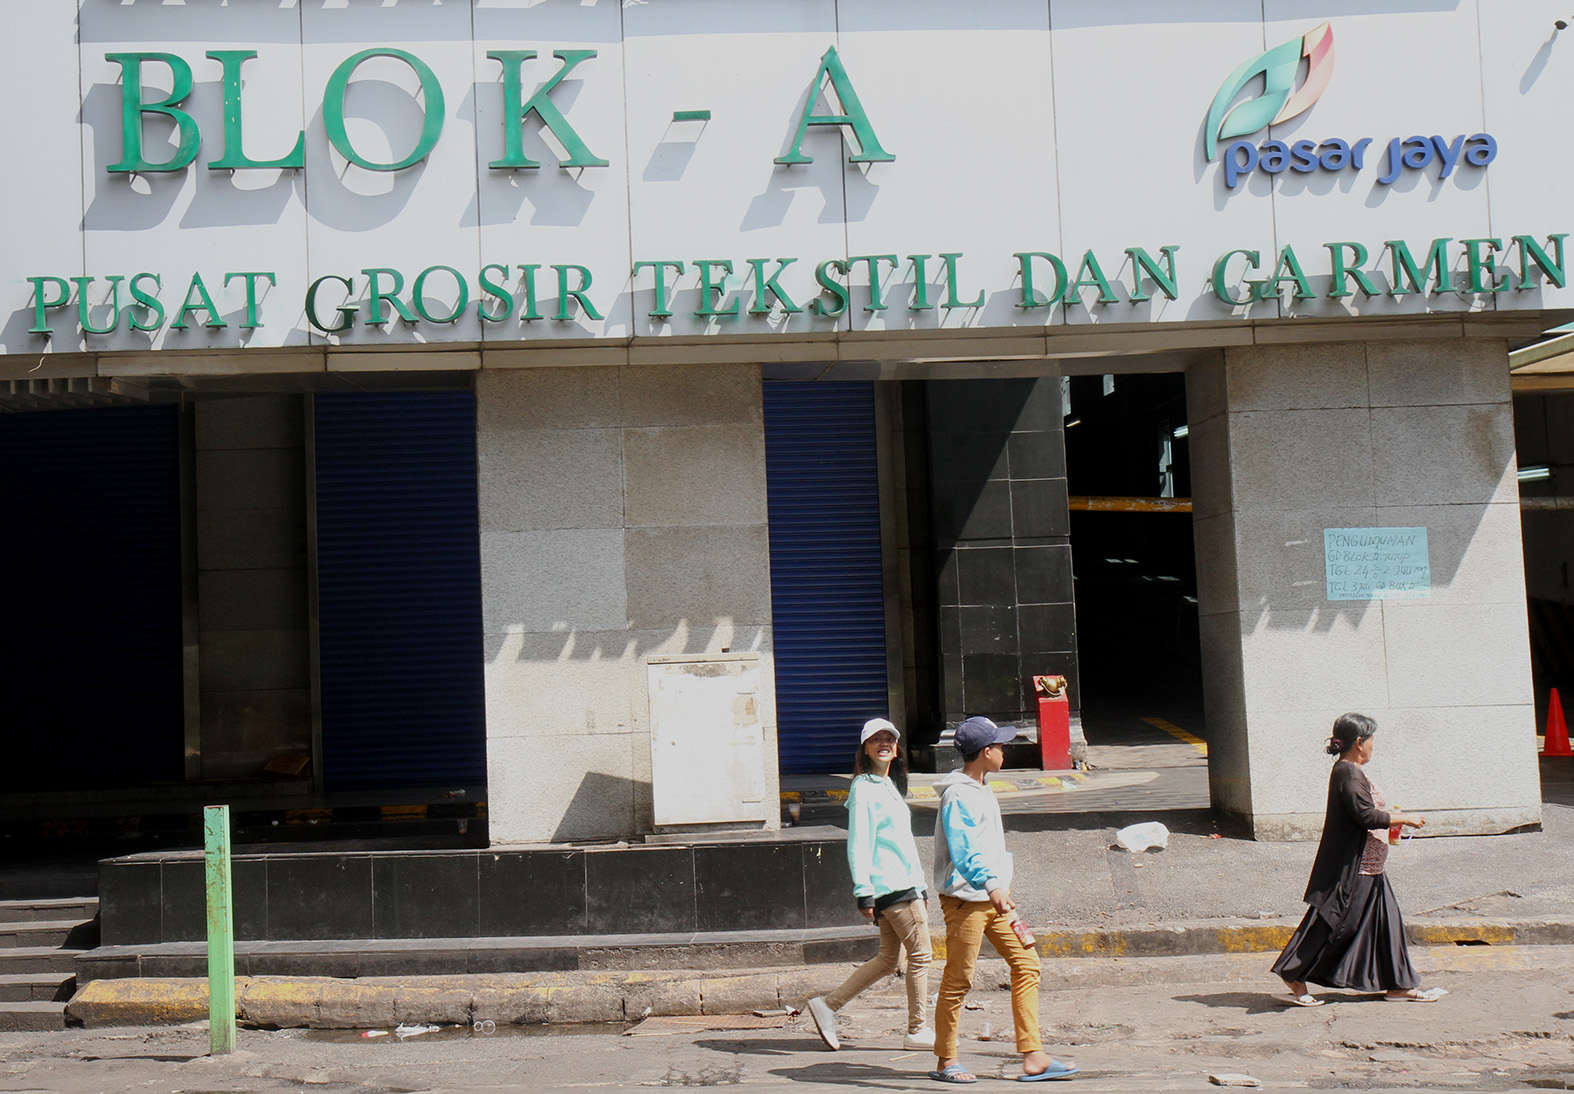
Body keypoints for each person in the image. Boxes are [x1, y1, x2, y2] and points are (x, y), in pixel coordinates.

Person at [930, 716, 1077, 1084]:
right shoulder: (958, 794)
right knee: (958, 978)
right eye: (999, 746)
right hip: (967, 901)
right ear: (985, 753)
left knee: (1028, 963)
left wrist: (999, 887)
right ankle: (946, 1059)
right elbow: (965, 849)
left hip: (994, 899)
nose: (1003, 750)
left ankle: (1034, 1055)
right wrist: (991, 884)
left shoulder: (981, 788)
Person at [1271, 712, 1447, 1006]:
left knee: (1385, 925)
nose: (1374, 745)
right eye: (1371, 739)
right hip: (1357, 869)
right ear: (1358, 742)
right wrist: (1405, 817)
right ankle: (1293, 973)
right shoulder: (1348, 773)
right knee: (1331, 922)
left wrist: (1392, 825)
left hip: (1372, 867)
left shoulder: (1352, 770)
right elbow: (1364, 815)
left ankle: (1398, 985)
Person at [805, 718, 935, 1052]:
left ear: (896, 748)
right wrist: (862, 889)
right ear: (865, 748)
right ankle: (918, 1029)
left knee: (889, 959)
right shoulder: (863, 788)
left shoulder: (888, 784)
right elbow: (859, 843)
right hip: (891, 886)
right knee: (921, 955)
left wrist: (921, 885)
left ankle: (827, 1005)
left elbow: (901, 842)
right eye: (876, 739)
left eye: (889, 739)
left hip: (906, 884)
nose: (883, 744)